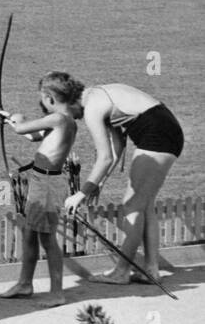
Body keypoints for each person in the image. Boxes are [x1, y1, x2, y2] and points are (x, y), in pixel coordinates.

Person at [60, 78, 184, 284]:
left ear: (68, 102)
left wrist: (81, 194)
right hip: (167, 129)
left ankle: (122, 271)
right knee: (144, 205)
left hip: (158, 134)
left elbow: (105, 157)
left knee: (132, 205)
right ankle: (151, 270)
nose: (73, 118)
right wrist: (99, 184)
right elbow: (117, 149)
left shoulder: (92, 107)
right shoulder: (99, 95)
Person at [0, 73, 84, 306]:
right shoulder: (65, 120)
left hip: (46, 184)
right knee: (30, 233)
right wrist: (11, 119)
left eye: (43, 100)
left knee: (47, 239)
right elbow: (33, 136)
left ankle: (57, 293)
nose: (42, 104)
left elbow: (21, 129)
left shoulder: (58, 119)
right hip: (42, 181)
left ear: (50, 98)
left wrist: (14, 118)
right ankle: (25, 283)